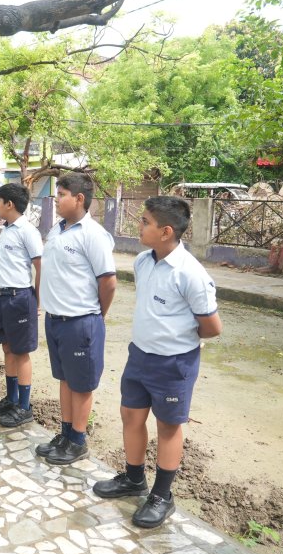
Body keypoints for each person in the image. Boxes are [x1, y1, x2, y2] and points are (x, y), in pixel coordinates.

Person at [92, 196, 222, 528]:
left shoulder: (190, 273)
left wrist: (176, 339)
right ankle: (134, 479)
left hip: (174, 363)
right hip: (140, 356)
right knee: (130, 416)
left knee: (167, 426)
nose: (139, 225)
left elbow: (212, 327)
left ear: (166, 231)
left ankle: (163, 496)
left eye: (145, 221)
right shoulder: (142, 262)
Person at [36, 173, 116, 465]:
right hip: (56, 320)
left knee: (81, 384)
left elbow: (108, 281)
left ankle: (79, 441)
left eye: (61, 194)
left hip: (81, 321)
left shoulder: (92, 235)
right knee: (65, 380)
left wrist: (96, 316)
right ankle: (66, 434)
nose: (56, 199)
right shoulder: (57, 230)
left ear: (79, 199)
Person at [0, 183, 42, 428]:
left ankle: (24, 406)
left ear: (9, 204)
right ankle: (12, 398)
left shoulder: (27, 231)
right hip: (1, 297)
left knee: (21, 352)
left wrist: (38, 299)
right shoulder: (6, 229)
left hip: (19, 298)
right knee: (8, 348)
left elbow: (41, 266)